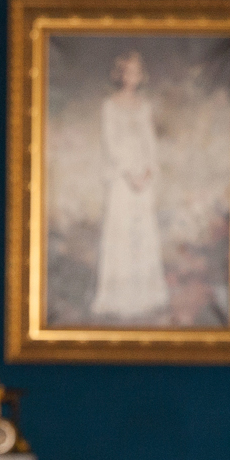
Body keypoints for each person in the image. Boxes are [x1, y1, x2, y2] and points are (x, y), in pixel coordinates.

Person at [90, 51, 170, 321]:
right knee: (121, 231)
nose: (131, 77)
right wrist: (129, 174)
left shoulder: (144, 106)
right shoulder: (109, 106)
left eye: (136, 72)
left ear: (140, 75)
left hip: (143, 178)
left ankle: (145, 294)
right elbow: (110, 144)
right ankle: (119, 297)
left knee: (143, 231)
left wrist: (147, 172)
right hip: (122, 178)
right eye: (127, 72)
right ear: (120, 75)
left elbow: (150, 142)